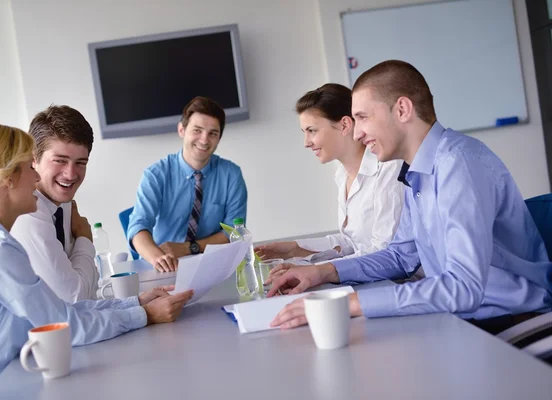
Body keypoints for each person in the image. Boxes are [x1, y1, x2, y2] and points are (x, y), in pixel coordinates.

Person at [267, 60, 552, 333]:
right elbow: (400, 256)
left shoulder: (458, 164)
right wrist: (323, 272)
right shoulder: (415, 171)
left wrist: (346, 304)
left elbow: (463, 288)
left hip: (511, 321)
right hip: (462, 317)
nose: (357, 134)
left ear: (402, 109)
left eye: (363, 117)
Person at [0, 122, 194, 378]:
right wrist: (144, 315)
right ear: (7, 179)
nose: (36, 177)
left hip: (6, 375)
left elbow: (60, 311)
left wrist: (134, 303)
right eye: (28, 166)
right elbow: (66, 326)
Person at [255, 84, 404, 264]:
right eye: (304, 132)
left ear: (344, 125)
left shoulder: (388, 169)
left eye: (312, 131)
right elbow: (351, 242)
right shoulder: (342, 175)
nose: (306, 143)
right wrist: (294, 249)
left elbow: (384, 252)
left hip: (405, 285)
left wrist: (318, 271)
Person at [128, 96, 248, 272]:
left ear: (219, 138)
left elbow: (235, 232)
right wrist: (160, 259)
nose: (204, 140)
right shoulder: (155, 175)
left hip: (212, 265)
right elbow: (138, 226)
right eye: (197, 130)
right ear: (181, 130)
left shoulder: (231, 174)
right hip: (163, 267)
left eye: (212, 133)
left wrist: (189, 248)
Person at [11, 105, 99, 303]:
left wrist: (136, 305)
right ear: (34, 159)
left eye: (80, 163)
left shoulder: (62, 201)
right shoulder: (27, 214)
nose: (70, 174)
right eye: (60, 160)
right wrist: (84, 238)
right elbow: (74, 298)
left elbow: (87, 292)